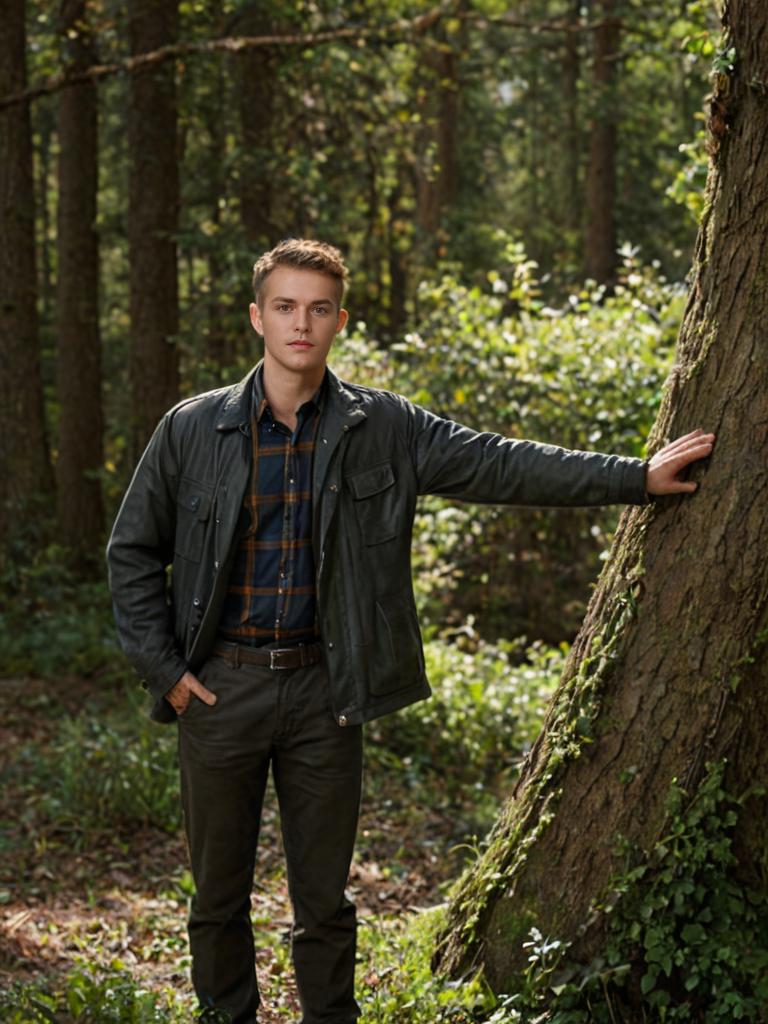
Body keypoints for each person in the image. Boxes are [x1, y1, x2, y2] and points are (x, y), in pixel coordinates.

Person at [106, 238, 715, 1024]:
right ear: (259, 317)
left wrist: (632, 477)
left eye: (319, 309)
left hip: (328, 695)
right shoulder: (192, 431)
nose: (302, 324)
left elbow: (500, 464)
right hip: (221, 691)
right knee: (217, 897)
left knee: (323, 902)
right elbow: (131, 553)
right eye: (286, 307)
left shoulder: (383, 425)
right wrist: (166, 673)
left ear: (339, 320)